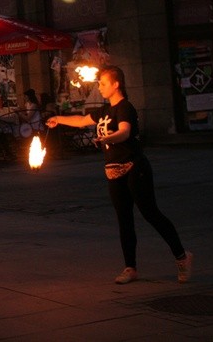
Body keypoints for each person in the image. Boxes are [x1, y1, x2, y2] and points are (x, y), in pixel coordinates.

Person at [46, 66, 193, 284]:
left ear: (116, 84)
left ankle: (182, 257)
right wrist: (58, 118)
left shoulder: (126, 108)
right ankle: (130, 268)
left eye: (103, 83)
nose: (100, 87)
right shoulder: (105, 110)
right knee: (124, 219)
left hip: (134, 167)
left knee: (150, 213)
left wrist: (107, 139)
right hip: (113, 171)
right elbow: (82, 120)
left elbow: (124, 132)